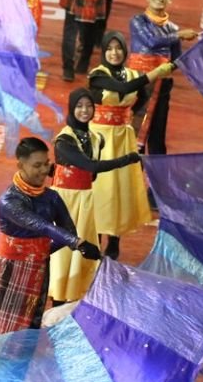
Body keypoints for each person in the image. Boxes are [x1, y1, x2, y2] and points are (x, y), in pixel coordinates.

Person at [0, 137, 101, 382]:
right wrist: (76, 244)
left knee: (25, 347)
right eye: (36, 165)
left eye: (46, 164)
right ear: (20, 164)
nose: (43, 170)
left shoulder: (52, 198)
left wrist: (40, 253)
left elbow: (66, 231)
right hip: (8, 280)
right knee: (6, 348)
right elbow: (41, 226)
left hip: (36, 277)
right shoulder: (9, 200)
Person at [47, 88, 141, 304]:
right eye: (79, 106)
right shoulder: (64, 140)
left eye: (89, 106)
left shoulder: (96, 138)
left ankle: (75, 296)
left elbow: (93, 175)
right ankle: (58, 301)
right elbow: (90, 166)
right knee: (64, 251)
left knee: (84, 249)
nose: (85, 110)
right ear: (71, 108)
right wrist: (127, 159)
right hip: (66, 201)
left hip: (85, 198)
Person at [88, 31, 171, 254]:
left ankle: (114, 240)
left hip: (123, 138)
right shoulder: (97, 75)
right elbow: (123, 89)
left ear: (124, 51)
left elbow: (141, 97)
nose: (114, 53)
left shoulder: (132, 74)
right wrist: (155, 73)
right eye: (109, 49)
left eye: (118, 48)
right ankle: (96, 237)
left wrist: (125, 114)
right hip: (100, 138)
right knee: (100, 188)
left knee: (120, 188)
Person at [128, 0, 198, 155]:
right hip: (139, 84)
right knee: (134, 131)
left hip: (162, 87)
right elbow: (152, 41)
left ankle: (157, 172)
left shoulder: (173, 28)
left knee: (158, 135)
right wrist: (180, 35)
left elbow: (176, 59)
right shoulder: (137, 21)